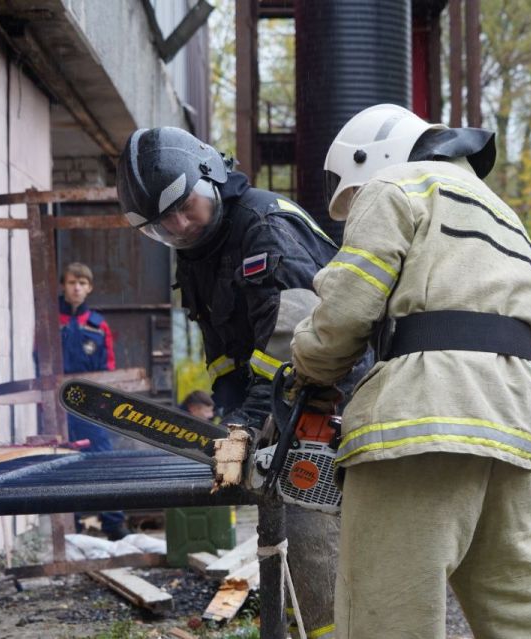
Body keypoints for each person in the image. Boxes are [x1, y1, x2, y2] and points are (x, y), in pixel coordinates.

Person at [290, 104, 531, 639]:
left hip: (424, 416)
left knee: (387, 606)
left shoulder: (394, 184)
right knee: (523, 595)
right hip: (514, 417)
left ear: (372, 157)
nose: (356, 202)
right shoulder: (500, 211)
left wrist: (307, 364)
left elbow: (346, 307)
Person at [116, 127, 347, 638]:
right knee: (290, 522)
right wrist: (229, 418)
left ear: (210, 175)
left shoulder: (264, 227)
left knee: (311, 525)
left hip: (332, 396)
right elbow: (223, 359)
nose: (177, 225)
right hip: (286, 408)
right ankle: (309, 625)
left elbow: (293, 343)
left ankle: (333, 630)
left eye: (183, 206)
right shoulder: (198, 254)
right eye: (160, 225)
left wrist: (248, 420)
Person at [58, 262, 130, 541]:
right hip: (58, 406)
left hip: (90, 406)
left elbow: (108, 369)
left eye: (82, 283)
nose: (76, 287)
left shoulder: (98, 326)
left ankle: (114, 523)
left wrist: (104, 404)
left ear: (89, 288)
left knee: (104, 460)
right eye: (72, 282)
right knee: (62, 461)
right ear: (63, 286)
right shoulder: (49, 319)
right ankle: (72, 523)